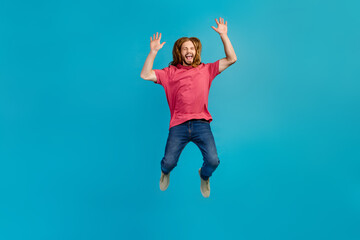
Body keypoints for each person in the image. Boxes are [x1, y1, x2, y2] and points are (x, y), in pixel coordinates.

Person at [140, 17, 237, 198]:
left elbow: (232, 58)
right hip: (179, 125)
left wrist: (224, 35)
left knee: (213, 161)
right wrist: (152, 52)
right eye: (185, 48)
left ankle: (204, 175)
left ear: (196, 51)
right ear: (180, 52)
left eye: (191, 48)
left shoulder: (206, 69)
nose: (189, 50)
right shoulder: (169, 73)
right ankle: (165, 172)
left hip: (201, 124)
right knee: (169, 162)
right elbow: (145, 74)